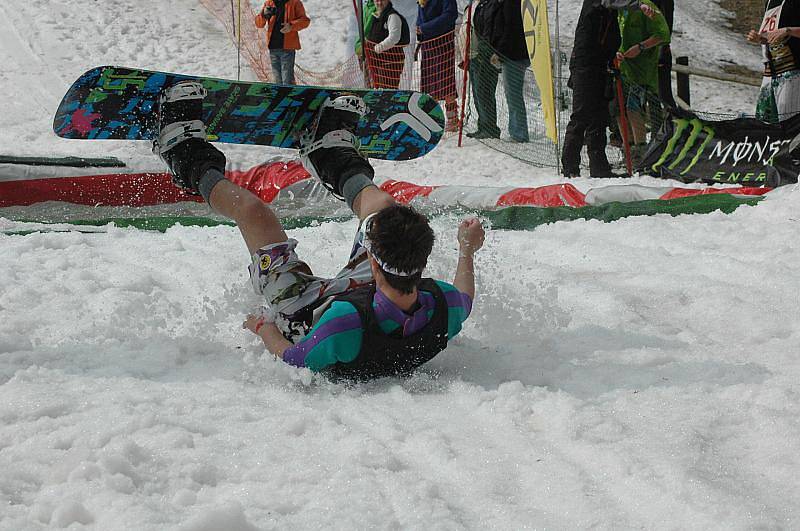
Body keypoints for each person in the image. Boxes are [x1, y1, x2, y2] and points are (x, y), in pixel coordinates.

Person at [151, 82, 485, 380]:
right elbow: (465, 297)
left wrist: (263, 328)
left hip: (303, 313)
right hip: (364, 291)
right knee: (384, 205)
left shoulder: (343, 324)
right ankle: (327, 157)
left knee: (253, 212)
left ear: (372, 258)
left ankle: (184, 157)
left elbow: (294, 358)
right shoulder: (444, 305)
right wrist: (466, 251)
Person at [561, 0, 654, 178]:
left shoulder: (610, 10)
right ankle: (570, 167)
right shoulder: (597, 3)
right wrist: (638, 4)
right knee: (581, 115)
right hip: (585, 64)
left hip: (602, 64)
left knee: (599, 118)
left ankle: (599, 167)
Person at [467, 0, 530, 142]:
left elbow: (510, 30)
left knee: (513, 95)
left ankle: (519, 134)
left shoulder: (511, 4)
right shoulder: (496, 4)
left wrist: (499, 51)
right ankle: (515, 132)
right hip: (505, 52)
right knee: (510, 95)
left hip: (514, 54)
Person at [614, 0, 669, 160]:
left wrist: (641, 47)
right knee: (619, 109)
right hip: (622, 67)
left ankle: (640, 148)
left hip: (642, 69)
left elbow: (663, 34)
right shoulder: (617, 7)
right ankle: (628, 149)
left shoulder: (647, 6)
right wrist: (616, 51)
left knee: (634, 108)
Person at [747, 0, 800, 123]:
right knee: (765, 122)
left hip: (793, 71)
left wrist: (788, 30)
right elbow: (773, 36)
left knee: (789, 124)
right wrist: (761, 38)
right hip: (770, 71)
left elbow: (785, 32)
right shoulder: (770, 2)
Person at [417, 0, 461, 132]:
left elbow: (450, 15)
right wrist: (419, 28)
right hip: (428, 44)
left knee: (445, 81)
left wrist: (425, 28)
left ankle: (452, 118)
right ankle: (433, 118)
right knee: (430, 83)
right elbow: (420, 16)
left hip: (442, 44)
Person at [255, 0, 311, 85]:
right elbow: (259, 24)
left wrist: (291, 26)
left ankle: (289, 95)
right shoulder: (269, 3)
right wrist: (263, 15)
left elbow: (305, 21)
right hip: (273, 48)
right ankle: (282, 96)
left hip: (287, 48)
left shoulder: (295, 2)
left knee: (287, 80)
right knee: (278, 81)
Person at [365, 0, 411, 89]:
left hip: (390, 63)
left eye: (382, 0)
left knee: (387, 91)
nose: (379, 3)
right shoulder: (376, 16)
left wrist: (378, 48)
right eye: (377, 0)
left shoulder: (393, 16)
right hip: (377, 62)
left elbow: (394, 37)